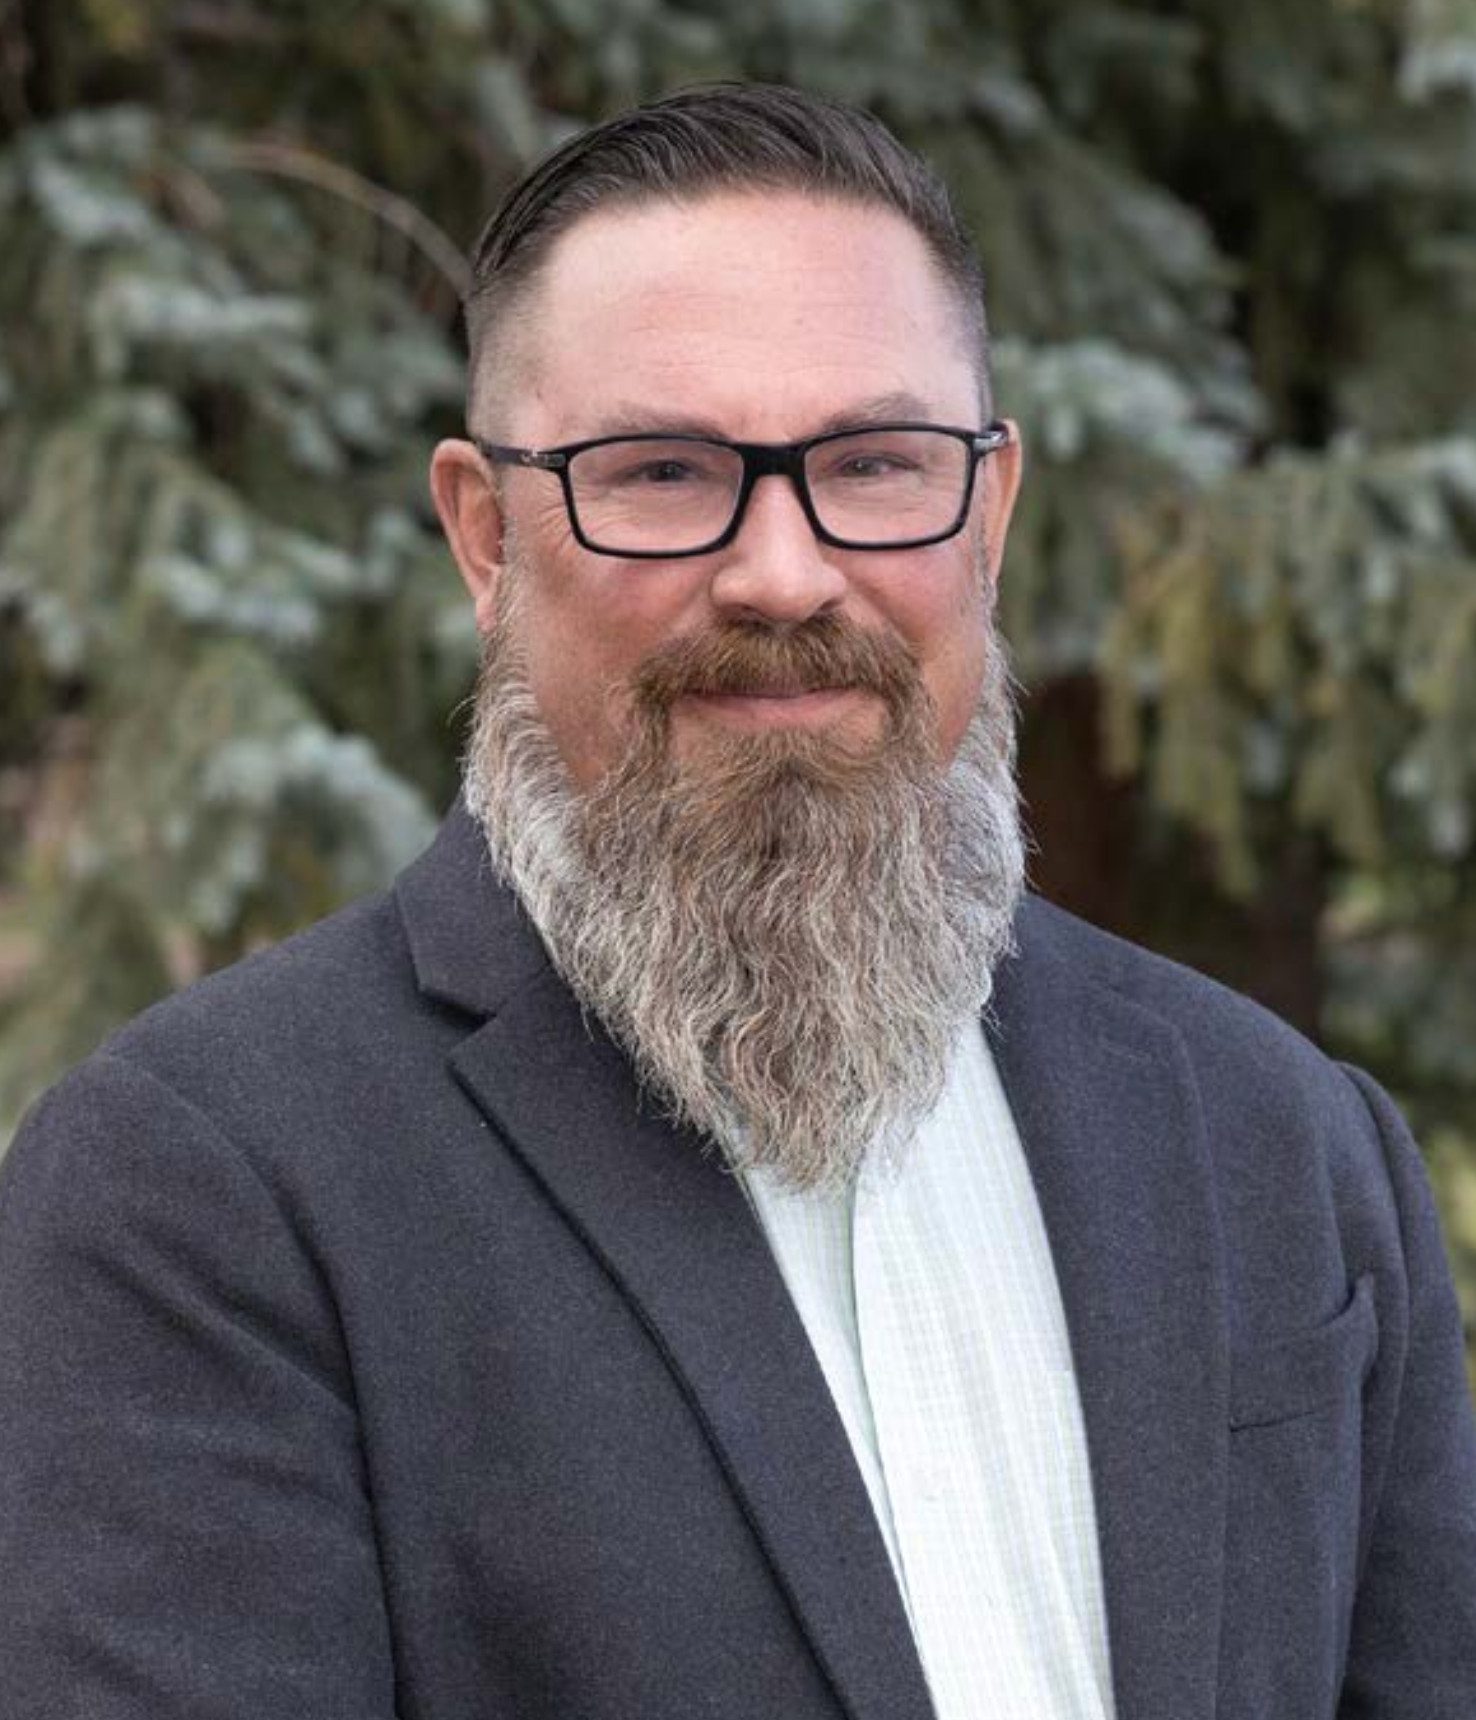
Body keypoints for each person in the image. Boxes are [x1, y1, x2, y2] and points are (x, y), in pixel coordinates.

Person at [1, 81, 1473, 1720]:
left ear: (987, 514)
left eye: (876, 460)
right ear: (488, 538)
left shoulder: (1281, 1139)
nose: (782, 571)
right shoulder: (205, 1190)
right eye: (660, 472)